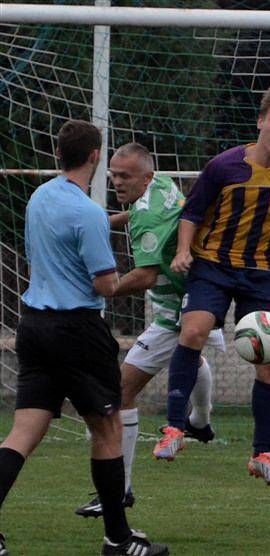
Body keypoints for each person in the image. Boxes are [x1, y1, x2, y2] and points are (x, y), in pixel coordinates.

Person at [152, 83, 270, 486]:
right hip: (213, 265)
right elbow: (192, 212)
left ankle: (263, 455)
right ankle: (173, 428)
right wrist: (184, 250)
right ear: (260, 121)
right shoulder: (224, 165)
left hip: (260, 275)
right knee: (194, 330)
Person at [0, 121, 168, 555]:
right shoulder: (88, 214)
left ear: (60, 154)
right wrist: (155, 271)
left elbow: (61, 240)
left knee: (22, 434)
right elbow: (107, 285)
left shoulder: (40, 198)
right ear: (95, 157)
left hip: (33, 326)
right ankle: (118, 541)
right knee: (107, 429)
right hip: (77, 331)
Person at [74, 143, 225, 519]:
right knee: (191, 358)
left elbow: (146, 275)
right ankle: (200, 423)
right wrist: (108, 220)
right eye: (113, 173)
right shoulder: (162, 184)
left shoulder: (147, 215)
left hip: (178, 308)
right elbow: (152, 214)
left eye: (125, 176)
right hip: (197, 296)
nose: (116, 180)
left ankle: (118, 490)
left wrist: (100, 289)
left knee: (121, 391)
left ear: (145, 175)